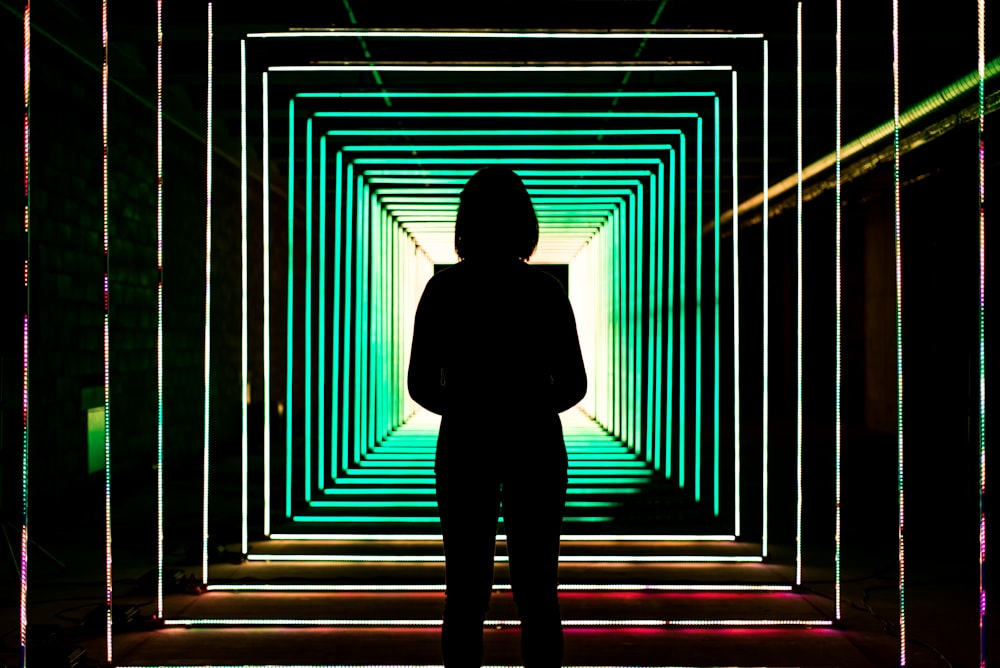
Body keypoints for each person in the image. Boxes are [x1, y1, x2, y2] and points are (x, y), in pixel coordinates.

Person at [407, 167, 587, 667]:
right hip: (535, 446)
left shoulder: (443, 290)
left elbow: (420, 385)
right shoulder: (545, 291)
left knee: (464, 593)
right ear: (524, 223)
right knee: (538, 593)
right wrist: (524, 405)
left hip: (465, 446)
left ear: (466, 223)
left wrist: (471, 407)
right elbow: (575, 384)